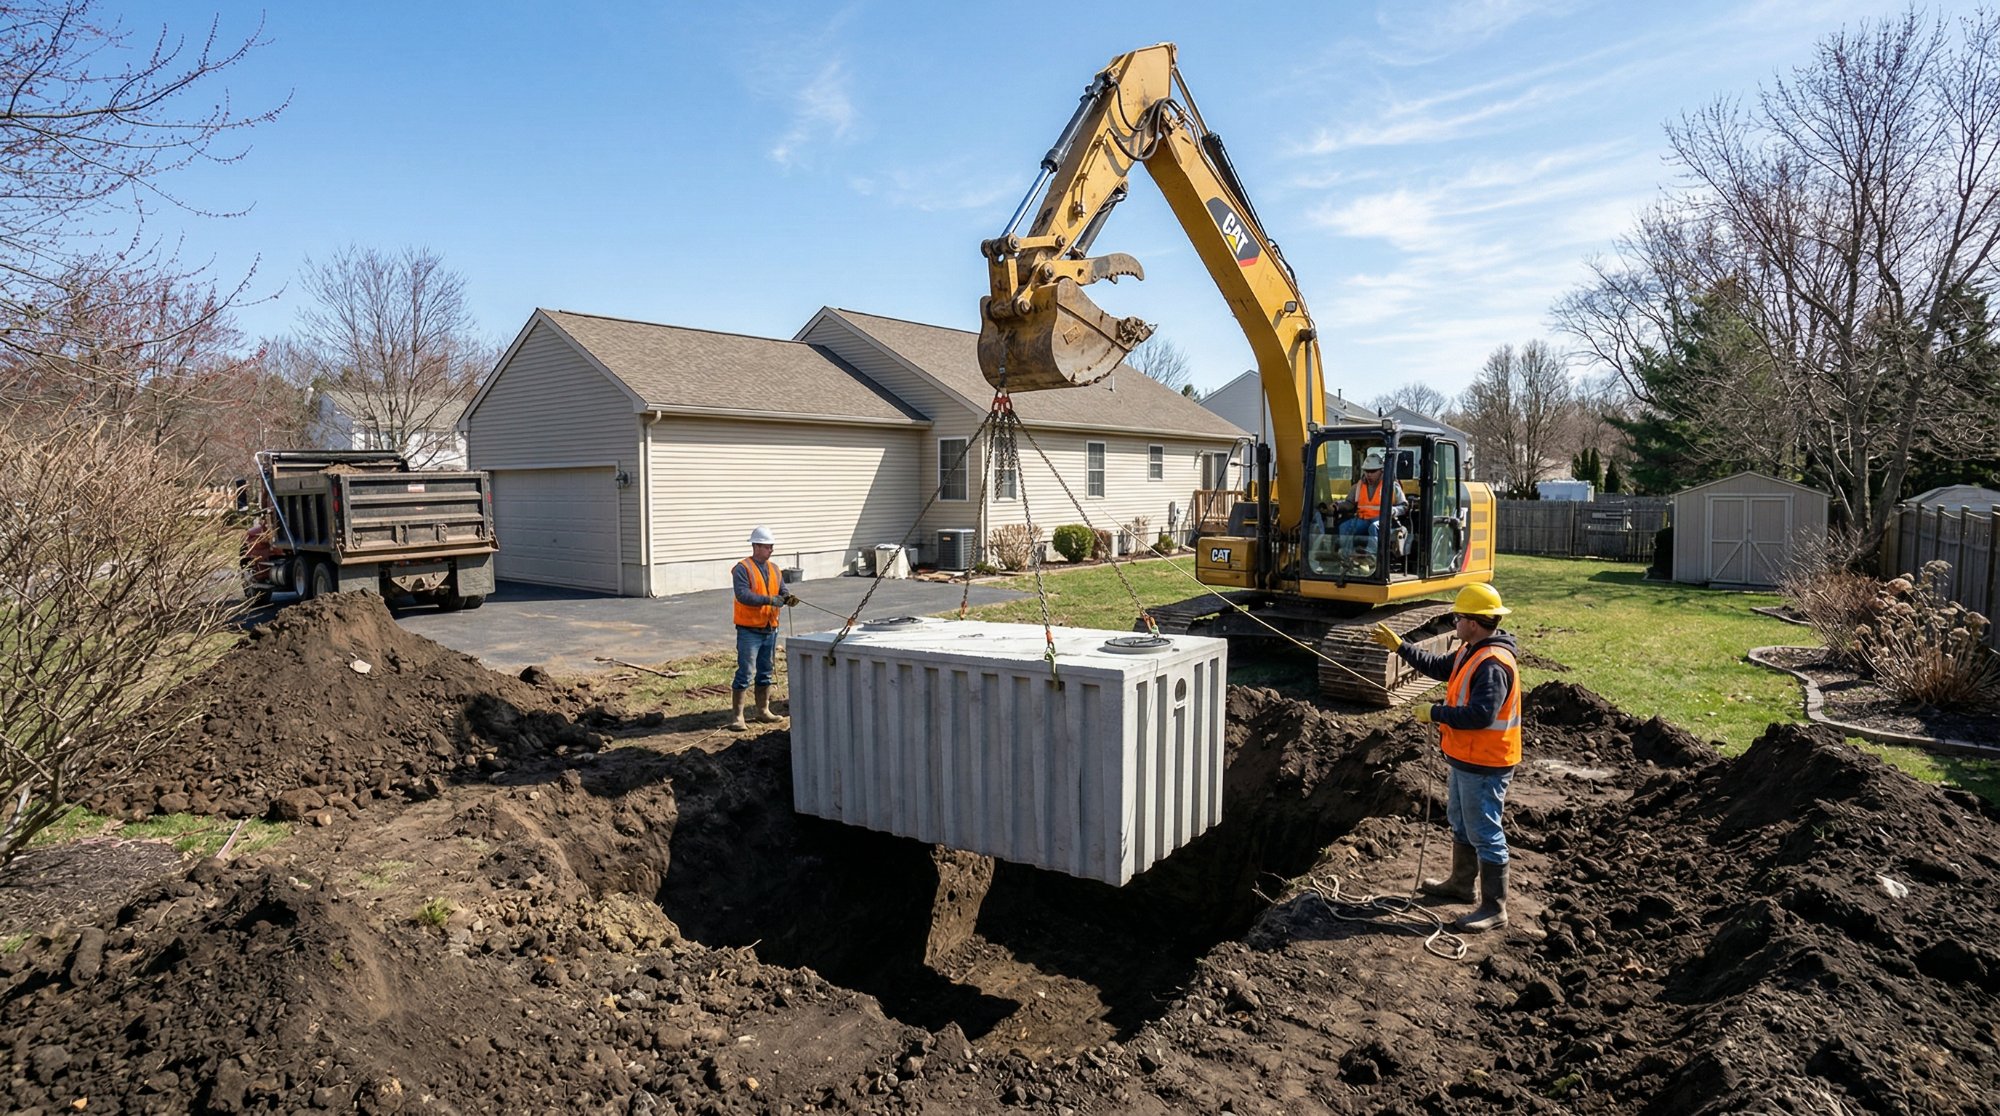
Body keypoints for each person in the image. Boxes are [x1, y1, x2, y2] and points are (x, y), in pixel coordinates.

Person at [1370, 583, 1520, 933]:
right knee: (1462, 822)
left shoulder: (1492, 664)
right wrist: (1401, 647)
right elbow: (1440, 668)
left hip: (1486, 762)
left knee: (1485, 831)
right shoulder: (1472, 650)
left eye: (1458, 617)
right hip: (1467, 757)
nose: (1454, 622)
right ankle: (1462, 884)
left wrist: (1436, 713)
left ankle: (1494, 908)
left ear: (1474, 622)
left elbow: (1481, 715)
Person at [730, 525, 797, 731]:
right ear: (756, 546)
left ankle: (763, 710)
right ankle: (738, 717)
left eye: (771, 546)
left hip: (769, 628)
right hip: (749, 629)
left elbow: (782, 590)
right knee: (745, 672)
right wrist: (770, 600)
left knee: (765, 671)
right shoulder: (742, 568)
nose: (771, 550)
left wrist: (787, 597)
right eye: (768, 547)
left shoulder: (775, 569)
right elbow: (743, 595)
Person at [1331, 448, 1406, 562]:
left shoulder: (1392, 486)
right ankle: (1346, 558)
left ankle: (1372, 558)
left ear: (1381, 470)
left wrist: (1394, 511)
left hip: (1383, 521)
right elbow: (1350, 503)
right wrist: (1337, 506)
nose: (1369, 474)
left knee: (1374, 527)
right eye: (1366, 471)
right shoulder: (1358, 486)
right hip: (1363, 520)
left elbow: (1404, 506)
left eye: (1373, 471)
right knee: (1344, 526)